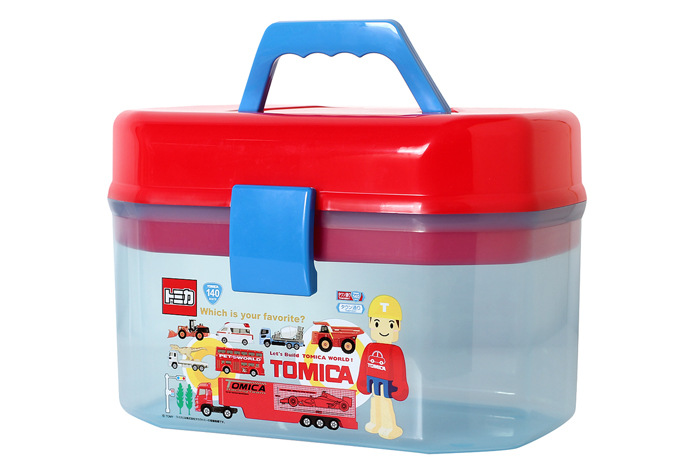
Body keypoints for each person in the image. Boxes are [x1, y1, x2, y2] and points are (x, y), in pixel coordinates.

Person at [357, 295, 408, 440]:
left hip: (388, 382)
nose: (384, 329)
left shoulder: (395, 351)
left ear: (398, 327)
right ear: (370, 323)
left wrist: (400, 386)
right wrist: (362, 381)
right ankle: (375, 422)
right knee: (375, 400)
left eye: (390, 325)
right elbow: (363, 366)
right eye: (377, 323)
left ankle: (390, 426)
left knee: (385, 401)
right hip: (372, 380)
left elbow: (399, 370)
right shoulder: (369, 347)